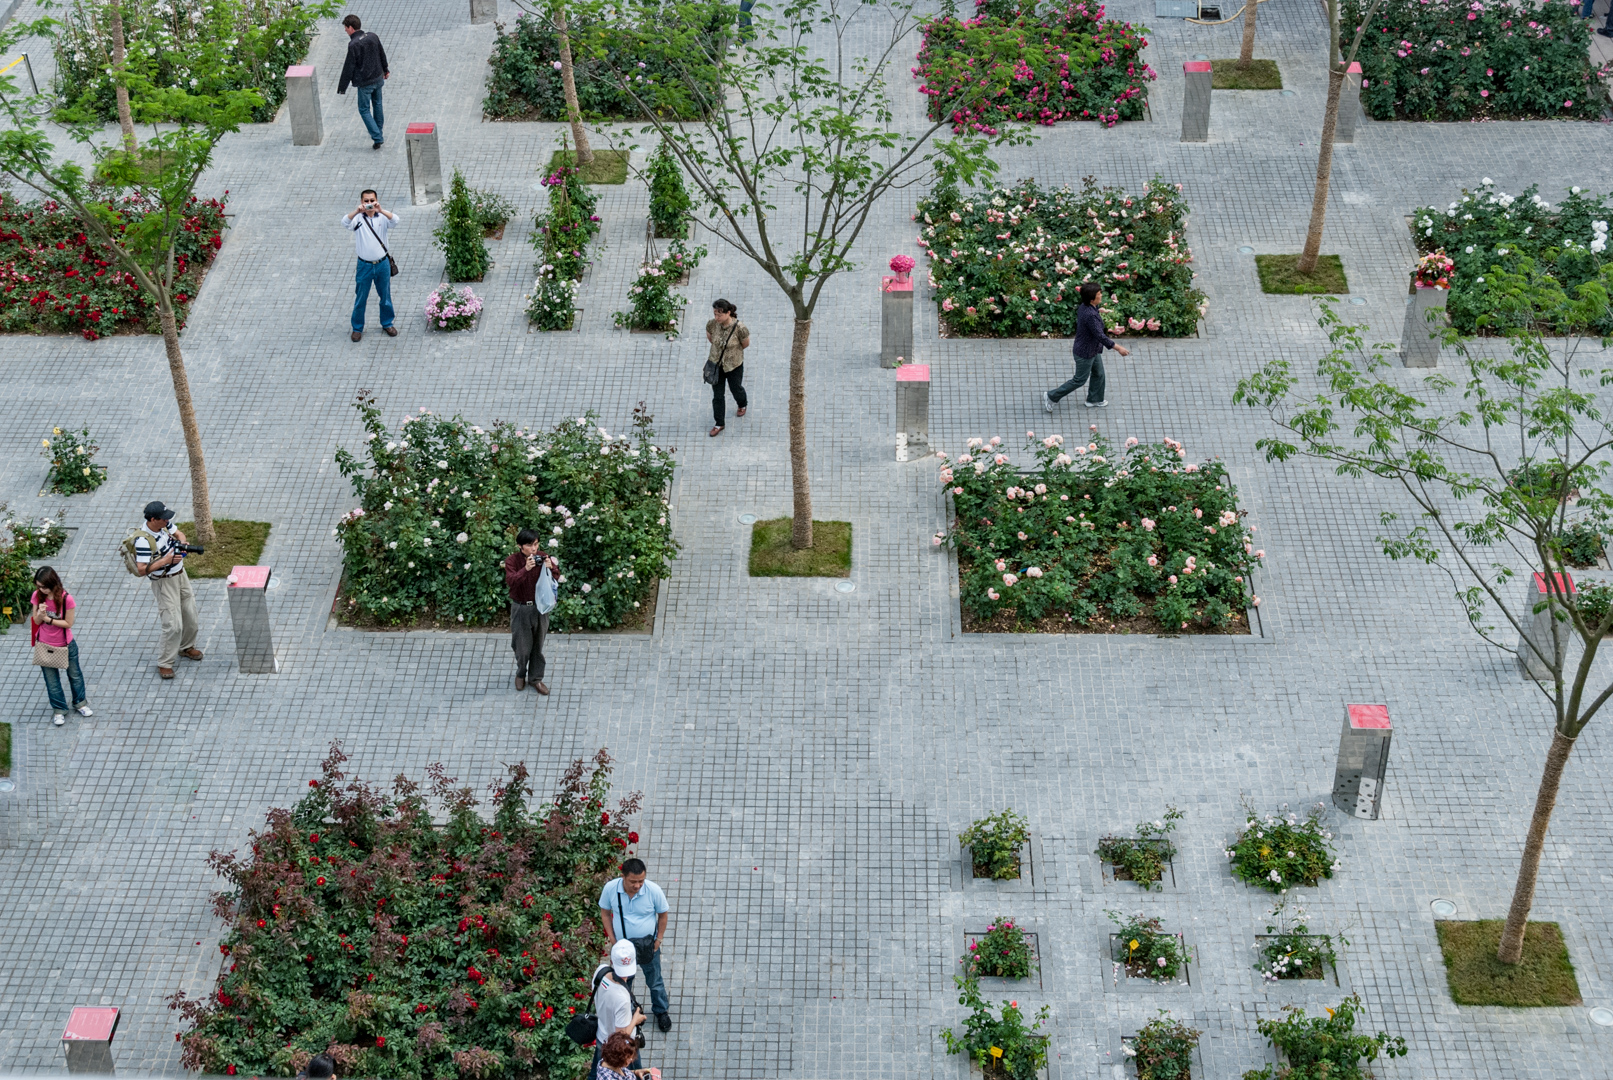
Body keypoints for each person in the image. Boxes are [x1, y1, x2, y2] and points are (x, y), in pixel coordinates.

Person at [600, 857, 671, 1032]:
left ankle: (661, 1011)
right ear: (622, 876)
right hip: (623, 948)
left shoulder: (653, 890)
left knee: (655, 981)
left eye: (641, 881)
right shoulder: (611, 889)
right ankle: (629, 1012)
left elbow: (663, 915)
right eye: (633, 881)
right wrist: (612, 939)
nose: (638, 886)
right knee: (624, 983)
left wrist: (658, 940)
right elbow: (605, 913)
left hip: (648, 946)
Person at [133, 501, 201, 680]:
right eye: (164, 519)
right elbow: (141, 569)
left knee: (190, 615)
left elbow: (178, 533)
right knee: (173, 625)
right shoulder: (142, 541)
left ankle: (186, 647)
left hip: (180, 574)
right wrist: (166, 560)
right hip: (164, 582)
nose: (168, 521)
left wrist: (182, 541)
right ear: (153, 519)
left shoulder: (164, 525)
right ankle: (165, 663)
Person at [1043, 282, 1130, 412]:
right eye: (1099, 294)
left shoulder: (1086, 307)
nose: (1101, 295)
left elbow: (1093, 318)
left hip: (1092, 349)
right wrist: (1118, 348)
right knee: (1079, 380)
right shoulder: (1091, 316)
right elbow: (1100, 336)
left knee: (1099, 373)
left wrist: (1099, 310)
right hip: (1085, 353)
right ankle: (1051, 396)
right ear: (1091, 299)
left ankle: (1094, 399)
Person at [31, 566, 91, 727]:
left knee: (75, 675)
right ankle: (59, 710)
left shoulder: (66, 599)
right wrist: (40, 615)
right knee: (51, 680)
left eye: (44, 586)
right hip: (44, 644)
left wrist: (48, 619)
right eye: (38, 586)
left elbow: (68, 623)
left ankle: (80, 703)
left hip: (66, 644)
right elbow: (35, 621)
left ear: (53, 583)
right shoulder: (37, 596)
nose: (41, 590)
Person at [504, 528, 558, 695]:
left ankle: (536, 678)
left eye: (536, 544)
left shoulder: (542, 556)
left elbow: (556, 576)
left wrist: (551, 567)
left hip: (540, 607)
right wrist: (525, 569)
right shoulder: (512, 561)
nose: (534, 549)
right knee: (521, 646)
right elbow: (511, 582)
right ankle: (521, 673)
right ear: (520, 546)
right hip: (521, 608)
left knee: (537, 645)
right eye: (529, 545)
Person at [343, 189, 400, 342]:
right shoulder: (358, 219)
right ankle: (357, 328)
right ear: (362, 202)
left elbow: (395, 220)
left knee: (385, 296)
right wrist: (356, 211)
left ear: (376, 200)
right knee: (361, 297)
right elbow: (344, 222)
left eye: (371, 200)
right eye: (366, 201)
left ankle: (387, 323)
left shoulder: (382, 217)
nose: (369, 204)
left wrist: (381, 210)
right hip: (364, 265)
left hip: (382, 264)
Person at [592, 940, 646, 1080]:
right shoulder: (622, 997)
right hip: (619, 1050)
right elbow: (621, 1036)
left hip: (601, 1035)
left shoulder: (600, 971)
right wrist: (635, 1020)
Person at [336, 14, 390, 148]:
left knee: (364, 109)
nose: (345, 30)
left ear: (351, 28)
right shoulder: (373, 36)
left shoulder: (353, 44)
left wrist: (342, 87)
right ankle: (378, 131)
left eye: (346, 27)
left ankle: (377, 137)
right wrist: (386, 69)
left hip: (365, 83)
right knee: (377, 104)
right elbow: (381, 53)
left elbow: (349, 67)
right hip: (378, 77)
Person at [705, 298, 750, 437]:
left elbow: (745, 344)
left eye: (719, 314)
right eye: (715, 314)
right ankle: (719, 423)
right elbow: (710, 338)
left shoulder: (740, 328)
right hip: (716, 364)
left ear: (728, 313)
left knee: (736, 388)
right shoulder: (712, 324)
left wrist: (732, 353)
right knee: (718, 396)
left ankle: (742, 403)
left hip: (734, 365)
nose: (716, 317)